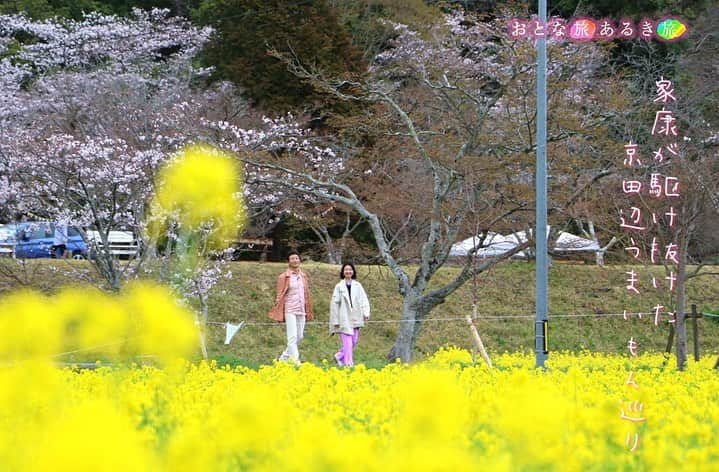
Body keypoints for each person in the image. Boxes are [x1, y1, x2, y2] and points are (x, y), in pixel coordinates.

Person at [268, 251, 314, 364]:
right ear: (289, 261)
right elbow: (279, 295)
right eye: (292, 258)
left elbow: (306, 293)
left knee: (300, 336)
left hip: (301, 309)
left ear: (299, 260)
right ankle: (296, 362)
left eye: (297, 258)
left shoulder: (303, 276)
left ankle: (283, 358)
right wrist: (279, 311)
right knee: (292, 337)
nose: (295, 260)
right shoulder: (283, 277)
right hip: (290, 309)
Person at [329, 263, 370, 367]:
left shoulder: (358, 285)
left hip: (356, 316)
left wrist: (366, 313)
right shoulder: (338, 286)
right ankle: (348, 363)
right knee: (347, 342)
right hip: (343, 318)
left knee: (354, 341)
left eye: (350, 270)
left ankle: (339, 356)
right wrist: (335, 321)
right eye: (346, 270)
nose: (348, 271)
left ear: (353, 272)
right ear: (343, 272)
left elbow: (364, 299)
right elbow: (334, 304)